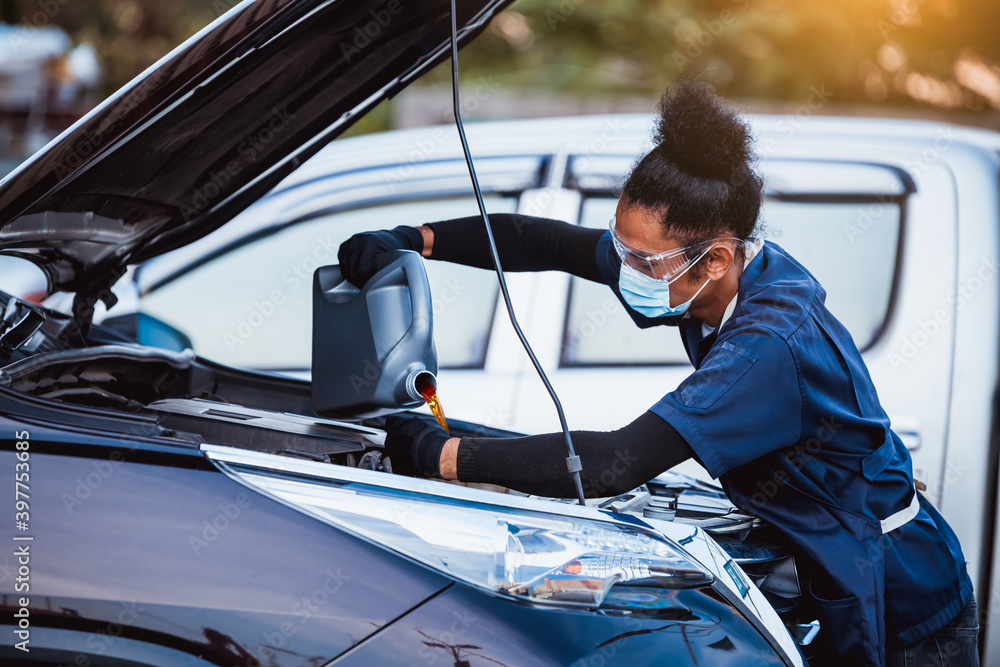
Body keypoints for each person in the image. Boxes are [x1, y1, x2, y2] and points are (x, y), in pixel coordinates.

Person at [337, 80, 977, 666]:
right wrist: (414, 238)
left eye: (640, 261)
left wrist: (446, 456)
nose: (623, 269)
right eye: (621, 249)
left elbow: (615, 460)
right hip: (823, 546)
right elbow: (547, 242)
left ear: (715, 259)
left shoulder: (765, 348)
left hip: (909, 601)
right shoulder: (711, 276)